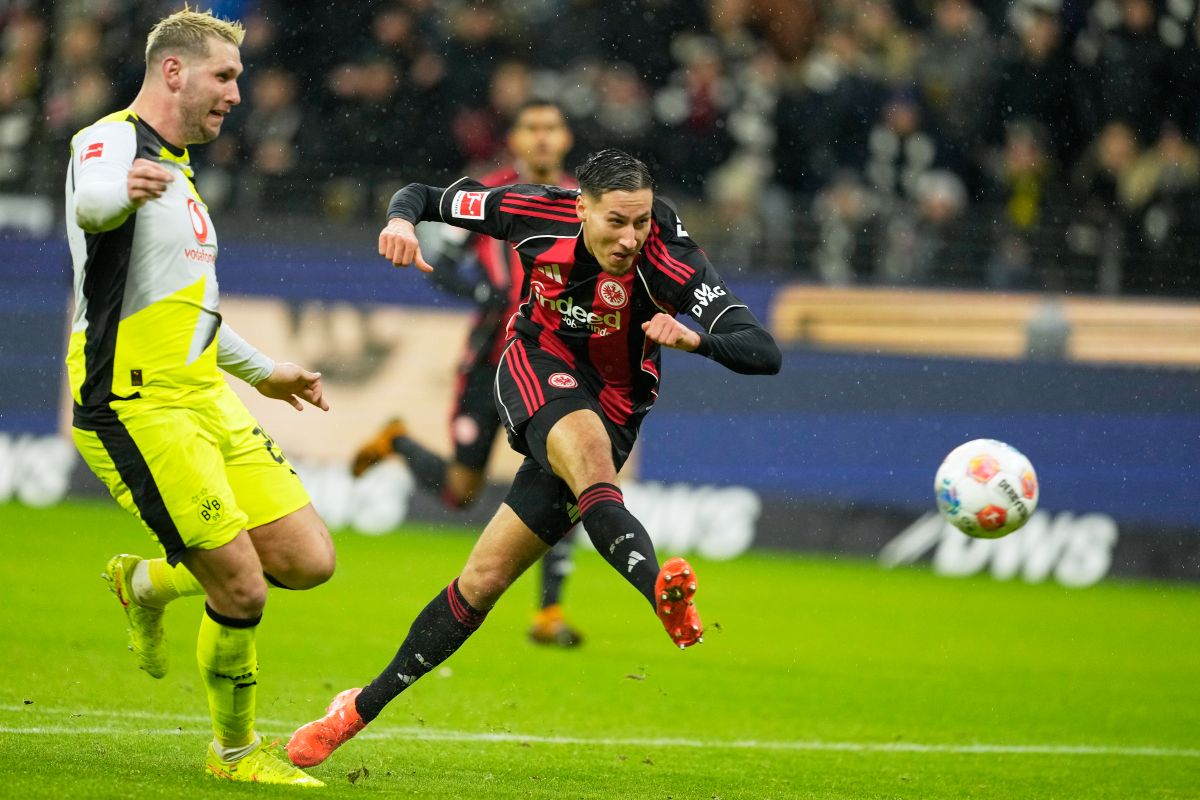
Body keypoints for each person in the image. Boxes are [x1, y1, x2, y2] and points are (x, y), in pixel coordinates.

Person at [287, 148, 782, 767]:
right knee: (593, 463)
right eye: (616, 223)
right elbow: (423, 194)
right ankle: (659, 590)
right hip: (533, 365)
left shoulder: (672, 261)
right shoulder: (530, 209)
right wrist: (398, 221)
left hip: (619, 409)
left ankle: (355, 711)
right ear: (581, 208)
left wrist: (696, 338)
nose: (630, 238)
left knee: (482, 583)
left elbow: (763, 350)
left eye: (641, 222)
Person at [65, 9, 332, 787]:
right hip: (133, 400)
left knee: (307, 560)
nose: (237, 94)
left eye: (240, 78)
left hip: (201, 391)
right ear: (173, 72)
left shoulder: (179, 172)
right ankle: (236, 754)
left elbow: (190, 307)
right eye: (225, 76)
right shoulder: (111, 141)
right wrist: (124, 190)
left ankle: (143, 581)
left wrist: (264, 371)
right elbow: (91, 200)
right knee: (243, 585)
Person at [351, 98, 586, 648]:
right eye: (532, 128)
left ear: (566, 137)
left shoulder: (586, 200)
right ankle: (398, 443)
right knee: (461, 492)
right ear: (517, 138)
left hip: (554, 357)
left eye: (553, 127)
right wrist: (482, 290)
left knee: (573, 472)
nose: (544, 138)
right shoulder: (488, 194)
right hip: (489, 359)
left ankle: (549, 613)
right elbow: (436, 255)